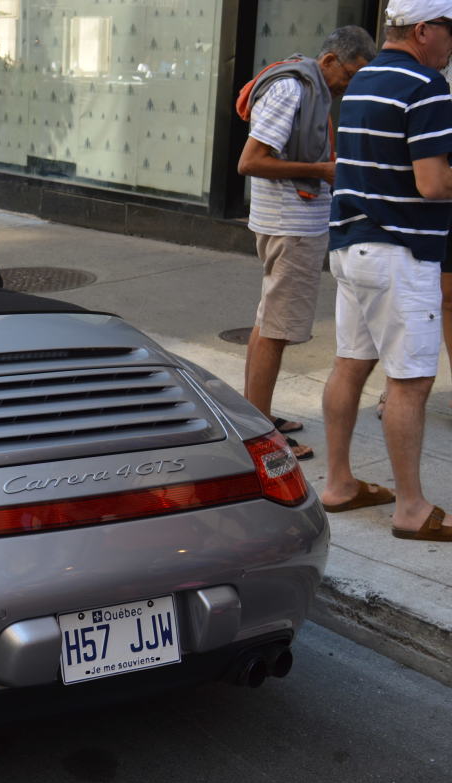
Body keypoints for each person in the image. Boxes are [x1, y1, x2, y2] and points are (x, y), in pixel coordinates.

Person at [321, 0, 452, 542]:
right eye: (449, 30)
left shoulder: (364, 78)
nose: (451, 43)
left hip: (351, 246)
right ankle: (411, 509)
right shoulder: (427, 86)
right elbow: (432, 184)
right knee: (411, 382)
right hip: (400, 252)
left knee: (350, 364)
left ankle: (337, 484)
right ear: (423, 30)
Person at [236, 27, 377, 461]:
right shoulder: (293, 90)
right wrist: (320, 171)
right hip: (290, 225)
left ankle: (259, 415)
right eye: (350, 75)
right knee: (276, 331)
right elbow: (251, 161)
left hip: (290, 222)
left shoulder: (305, 86)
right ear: (331, 60)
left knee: (269, 323)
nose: (348, 85)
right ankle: (261, 435)